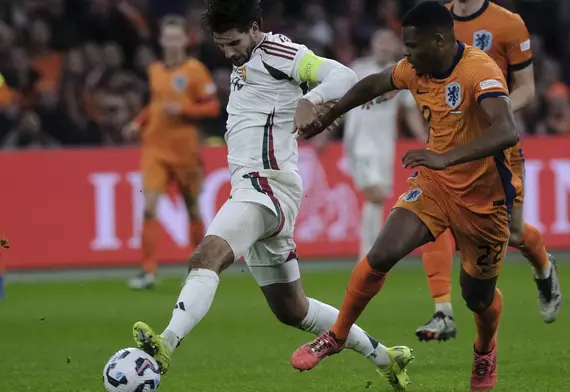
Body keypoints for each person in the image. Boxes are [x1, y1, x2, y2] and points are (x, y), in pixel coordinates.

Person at [130, 1, 414, 389]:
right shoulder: (244, 62)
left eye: (233, 42)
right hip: (264, 192)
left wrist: (309, 100)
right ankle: (386, 357)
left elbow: (343, 74)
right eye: (221, 45)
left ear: (254, 28)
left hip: (264, 186)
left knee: (207, 255)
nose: (228, 52)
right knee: (292, 309)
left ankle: (165, 344)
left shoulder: (278, 51)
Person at [290, 2, 518, 390]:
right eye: (405, 46)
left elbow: (507, 130)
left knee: (477, 298)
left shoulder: (479, 70)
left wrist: (445, 156)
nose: (407, 55)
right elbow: (374, 82)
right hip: (435, 185)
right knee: (381, 254)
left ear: (440, 40)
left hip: (484, 197)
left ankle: (485, 349)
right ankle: (338, 335)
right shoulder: (416, 67)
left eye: (413, 46)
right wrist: (329, 117)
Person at [416, 0, 562, 342]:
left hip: (495, 148)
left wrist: (494, 108)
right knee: (433, 223)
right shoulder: (435, 19)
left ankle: (543, 264)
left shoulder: (508, 24)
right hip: (446, 147)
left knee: (512, 233)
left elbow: (527, 86)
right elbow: (417, 71)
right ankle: (442, 312)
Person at [124, 16, 221, 289]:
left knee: (192, 209)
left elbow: (212, 107)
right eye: (167, 37)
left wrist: (184, 110)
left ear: (185, 40)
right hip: (154, 147)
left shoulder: (195, 70)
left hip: (185, 151)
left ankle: (201, 267)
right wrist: (138, 122)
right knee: (149, 207)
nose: (172, 43)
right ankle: (148, 271)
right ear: (161, 41)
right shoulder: (155, 70)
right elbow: (156, 104)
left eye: (176, 37)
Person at [344, 28, 427, 258]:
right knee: (376, 194)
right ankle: (370, 253)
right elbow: (339, 100)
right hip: (359, 141)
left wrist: (425, 139)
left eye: (387, 42)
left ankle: (368, 254)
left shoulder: (399, 75)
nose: (383, 46)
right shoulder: (358, 69)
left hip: (384, 146)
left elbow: (410, 111)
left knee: (378, 200)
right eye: (379, 42)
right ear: (371, 45)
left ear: (394, 46)